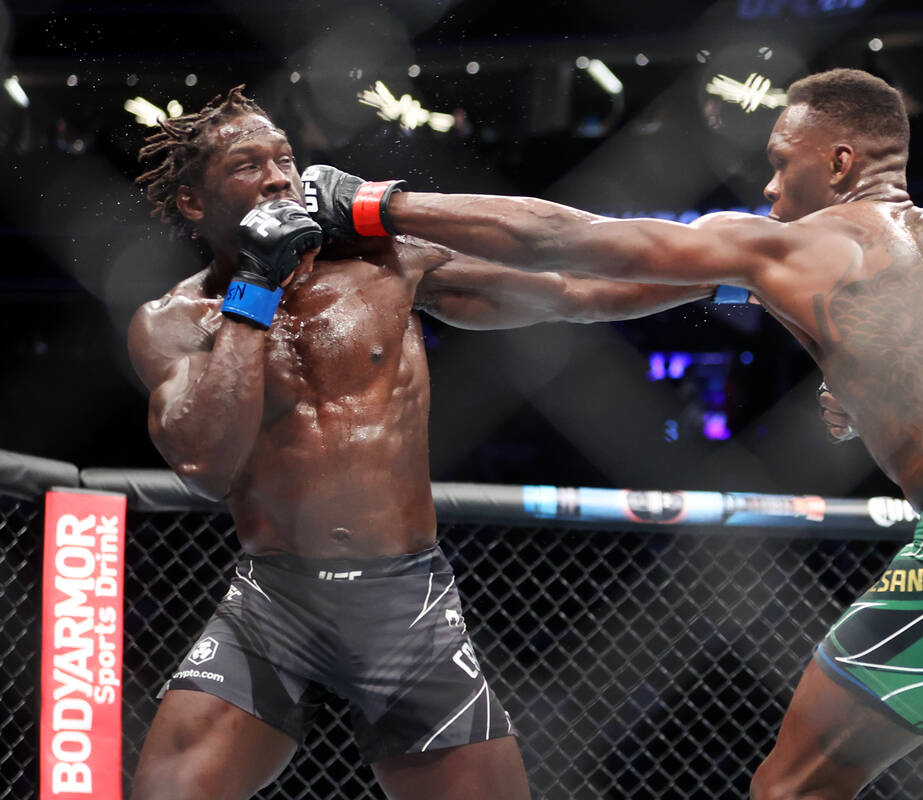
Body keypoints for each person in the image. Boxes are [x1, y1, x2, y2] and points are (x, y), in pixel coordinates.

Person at [300, 68, 923, 799]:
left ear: (840, 163)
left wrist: (377, 206)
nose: (768, 185)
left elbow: (572, 244)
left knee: (793, 788)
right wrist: (898, 379)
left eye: (781, 162)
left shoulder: (790, 245)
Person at [125, 86, 715, 800]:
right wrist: (256, 283)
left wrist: (739, 278)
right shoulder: (175, 320)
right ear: (194, 204)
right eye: (249, 166)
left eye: (285, 158)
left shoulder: (386, 264)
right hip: (274, 602)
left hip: (404, 601)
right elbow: (204, 463)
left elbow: (572, 288)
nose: (280, 177)